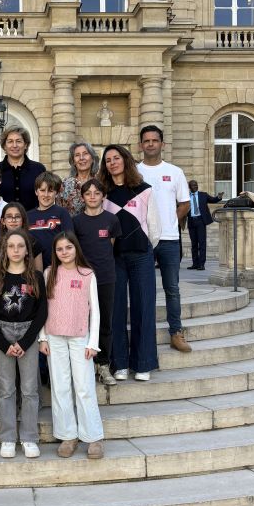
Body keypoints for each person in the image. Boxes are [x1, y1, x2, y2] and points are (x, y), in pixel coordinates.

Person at [38, 232, 104, 459]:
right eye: (59, 249)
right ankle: (68, 435)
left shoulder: (87, 274)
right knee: (60, 386)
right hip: (54, 337)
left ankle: (93, 437)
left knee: (84, 387)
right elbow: (42, 308)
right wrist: (43, 337)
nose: (64, 252)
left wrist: (93, 342)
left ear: (76, 248)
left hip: (80, 338)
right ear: (55, 252)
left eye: (68, 248)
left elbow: (95, 310)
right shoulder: (49, 273)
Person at [98, 145, 161, 382]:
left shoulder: (144, 190)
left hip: (141, 255)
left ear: (125, 160)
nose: (112, 162)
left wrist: (145, 246)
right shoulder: (102, 193)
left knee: (143, 308)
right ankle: (120, 363)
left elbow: (154, 225)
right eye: (108, 160)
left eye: (116, 158)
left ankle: (143, 363)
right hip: (114, 258)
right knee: (115, 311)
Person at [0, 229, 47, 459]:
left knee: (30, 389)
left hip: (27, 334)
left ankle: (30, 437)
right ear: (4, 250)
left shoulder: (36, 277)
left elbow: (42, 312)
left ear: (27, 250)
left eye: (20, 246)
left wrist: (25, 341)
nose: (15, 250)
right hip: (3, 333)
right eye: (10, 246)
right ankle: (8, 437)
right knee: (6, 389)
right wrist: (3, 344)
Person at [137, 125, 192, 353]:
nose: (150, 144)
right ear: (140, 145)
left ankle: (176, 333)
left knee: (172, 288)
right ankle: (144, 334)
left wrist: (170, 221)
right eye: (146, 141)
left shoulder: (175, 171)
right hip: (143, 240)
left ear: (162, 144)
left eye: (154, 140)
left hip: (169, 239)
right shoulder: (134, 172)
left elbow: (185, 203)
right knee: (143, 289)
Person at [72, 178, 121, 387]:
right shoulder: (76, 222)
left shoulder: (112, 220)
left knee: (105, 321)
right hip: (83, 279)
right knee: (83, 321)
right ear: (82, 197)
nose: (92, 196)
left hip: (106, 277)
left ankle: (103, 364)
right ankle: (86, 364)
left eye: (97, 193)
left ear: (103, 196)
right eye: (88, 193)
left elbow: (111, 246)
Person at [27, 171, 74, 269]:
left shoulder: (62, 213)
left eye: (50, 191)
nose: (46, 194)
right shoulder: (28, 216)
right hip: (34, 269)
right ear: (36, 191)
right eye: (42, 190)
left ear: (56, 193)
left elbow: (70, 240)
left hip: (58, 267)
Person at [0, 126, 46, 212]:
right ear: (4, 146)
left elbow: (46, 196)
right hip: (3, 223)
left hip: (34, 222)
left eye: (18, 141)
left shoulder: (38, 169)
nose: (14, 145)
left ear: (26, 145)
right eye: (10, 141)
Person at [0, 202, 43, 272]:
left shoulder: (34, 243)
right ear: (3, 221)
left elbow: (39, 275)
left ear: (23, 220)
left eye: (17, 217)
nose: (13, 220)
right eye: (9, 217)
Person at [187, 180, 223, 270]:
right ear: (189, 187)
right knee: (194, 244)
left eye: (196, 185)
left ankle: (202, 264)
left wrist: (218, 197)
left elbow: (213, 200)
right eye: (193, 185)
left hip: (200, 221)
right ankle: (195, 263)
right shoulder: (186, 197)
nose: (196, 186)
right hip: (191, 221)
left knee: (202, 243)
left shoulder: (203, 195)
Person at [58, 141, 100, 216]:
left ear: (92, 158)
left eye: (85, 154)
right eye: (77, 155)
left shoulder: (101, 182)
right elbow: (59, 213)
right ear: (73, 161)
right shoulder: (65, 185)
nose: (81, 158)